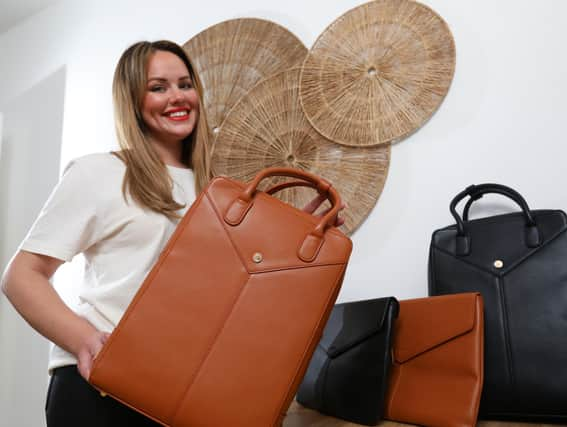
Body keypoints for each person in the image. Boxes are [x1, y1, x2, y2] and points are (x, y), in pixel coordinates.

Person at [1, 40, 340, 427]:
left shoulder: (218, 190)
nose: (177, 97)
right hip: (100, 389)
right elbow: (21, 276)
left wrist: (289, 237)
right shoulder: (98, 173)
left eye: (185, 84)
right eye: (158, 87)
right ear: (132, 99)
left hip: (183, 387)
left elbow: (227, 297)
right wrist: (83, 339)